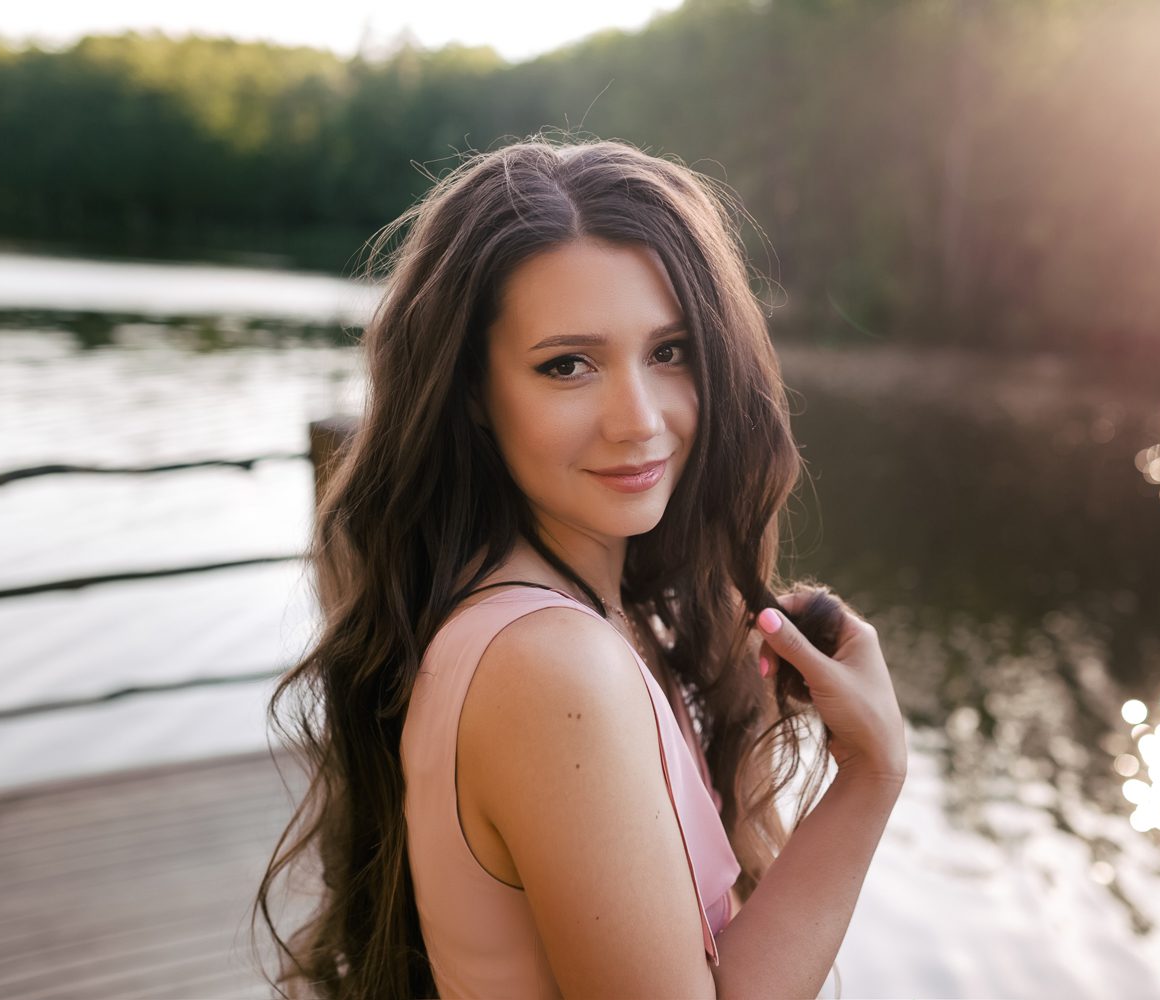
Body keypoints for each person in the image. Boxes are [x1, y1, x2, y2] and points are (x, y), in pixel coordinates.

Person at [252, 133, 907, 999]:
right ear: (474, 395)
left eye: (669, 351)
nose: (637, 419)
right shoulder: (550, 666)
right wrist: (869, 776)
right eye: (568, 365)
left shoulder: (556, 623)